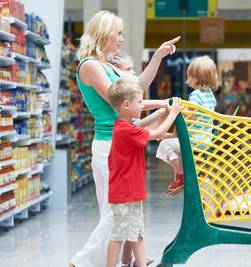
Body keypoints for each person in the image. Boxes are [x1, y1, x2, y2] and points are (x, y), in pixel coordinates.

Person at [70, 10, 180, 267]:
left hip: (119, 142)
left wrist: (157, 57)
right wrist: (165, 104)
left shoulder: (107, 66)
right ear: (104, 33)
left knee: (116, 210)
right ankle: (82, 261)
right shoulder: (89, 66)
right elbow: (122, 101)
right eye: (118, 33)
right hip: (110, 144)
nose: (121, 39)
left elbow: (138, 85)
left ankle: (112, 262)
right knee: (116, 210)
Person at [106, 78, 181, 267]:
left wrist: (162, 114)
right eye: (140, 102)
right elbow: (154, 134)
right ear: (126, 104)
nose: (142, 105)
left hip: (130, 191)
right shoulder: (126, 131)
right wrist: (172, 114)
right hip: (125, 193)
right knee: (119, 235)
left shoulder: (124, 127)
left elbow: (145, 128)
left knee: (136, 232)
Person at [156, 55, 218, 195]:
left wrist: (178, 109)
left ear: (194, 78)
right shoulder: (210, 95)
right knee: (201, 174)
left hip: (194, 141)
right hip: (206, 141)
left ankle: (180, 174)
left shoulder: (195, 95)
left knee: (165, 146)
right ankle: (209, 207)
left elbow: (192, 115)